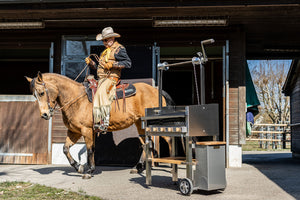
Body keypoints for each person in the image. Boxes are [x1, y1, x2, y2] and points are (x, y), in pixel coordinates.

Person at [85, 27, 131, 132]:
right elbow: (101, 68)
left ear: (112, 38)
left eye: (106, 40)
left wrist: (112, 64)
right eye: (103, 40)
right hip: (101, 78)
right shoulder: (104, 52)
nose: (104, 42)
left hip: (111, 78)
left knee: (101, 92)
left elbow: (128, 63)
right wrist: (92, 64)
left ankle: (104, 121)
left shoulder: (119, 49)